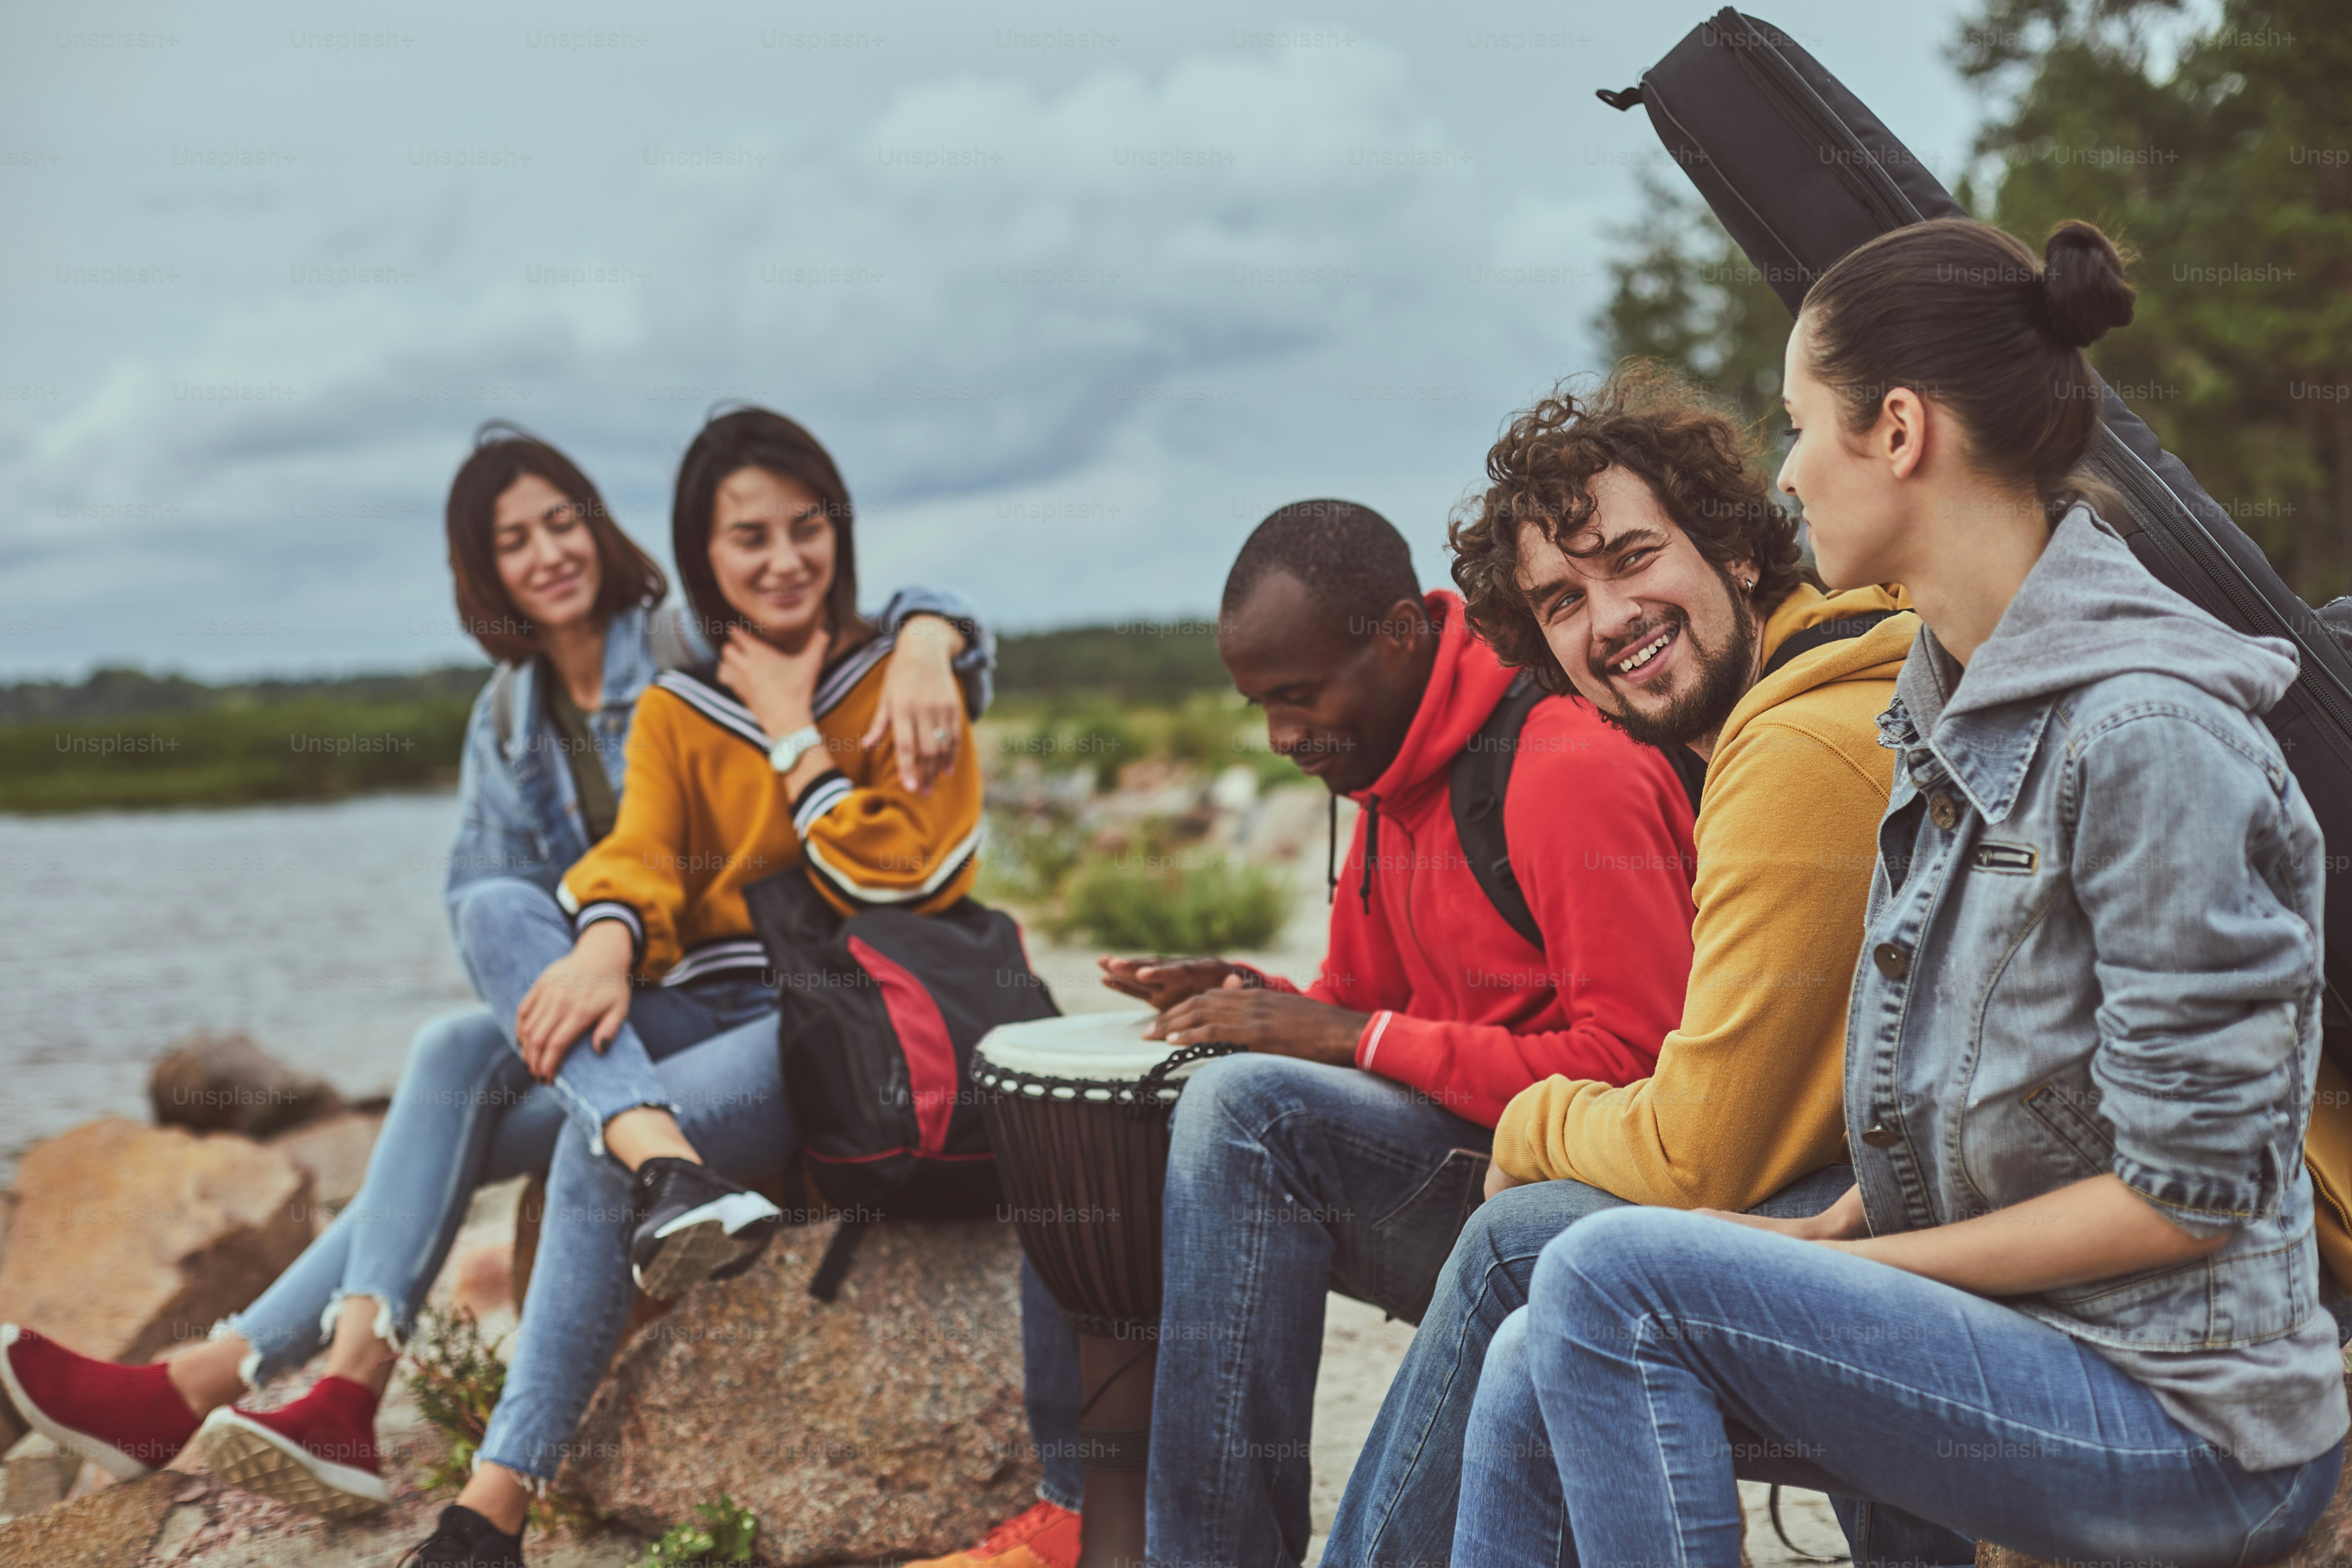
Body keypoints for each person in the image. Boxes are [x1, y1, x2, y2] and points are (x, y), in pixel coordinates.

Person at [1452, 218, 2347, 1567]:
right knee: (1535, 1344)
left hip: (2196, 1421)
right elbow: (1970, 1067)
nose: (1793, 471)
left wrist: (1834, 1273)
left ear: (1903, 432)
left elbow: (2192, 1193)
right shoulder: (1944, 703)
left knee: (1603, 1273)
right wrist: (1831, 1229)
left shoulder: (2144, 735)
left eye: (1806, 424)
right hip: (2044, 1343)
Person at [0, 420, 994, 1547]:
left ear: (614, 531)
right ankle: (336, 1384)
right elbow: (542, 894)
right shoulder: (512, 721)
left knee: (571, 1128)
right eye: (514, 539)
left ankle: (373, 1441)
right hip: (643, 1011)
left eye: (564, 520)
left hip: (806, 1017)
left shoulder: (687, 644)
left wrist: (931, 629)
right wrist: (605, 939)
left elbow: (865, 703)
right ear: (485, 569)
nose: (549, 552)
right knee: (454, 1033)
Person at [920, 500, 1701, 1568]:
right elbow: (1356, 999)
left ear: (1397, 635)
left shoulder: (1566, 763)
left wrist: (1343, 1035)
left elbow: (1644, 1073)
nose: (1283, 739)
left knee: (1249, 1112)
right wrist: (1243, 994)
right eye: (1259, 707)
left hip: (1592, 1202)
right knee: (1151, 1101)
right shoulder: (1383, 774)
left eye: (1298, 697)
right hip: (1469, 1160)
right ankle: (1082, 1518)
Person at [1324, 365, 1936, 1565]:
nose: (1606, 619)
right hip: (1922, 1185)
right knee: (1534, 1312)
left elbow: (1701, 1151)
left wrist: (1532, 1124)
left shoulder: (1796, 746)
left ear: (1737, 551)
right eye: (1560, 601)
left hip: (2012, 1236)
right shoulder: (1815, 686)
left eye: (1633, 559)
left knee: (1527, 1236)